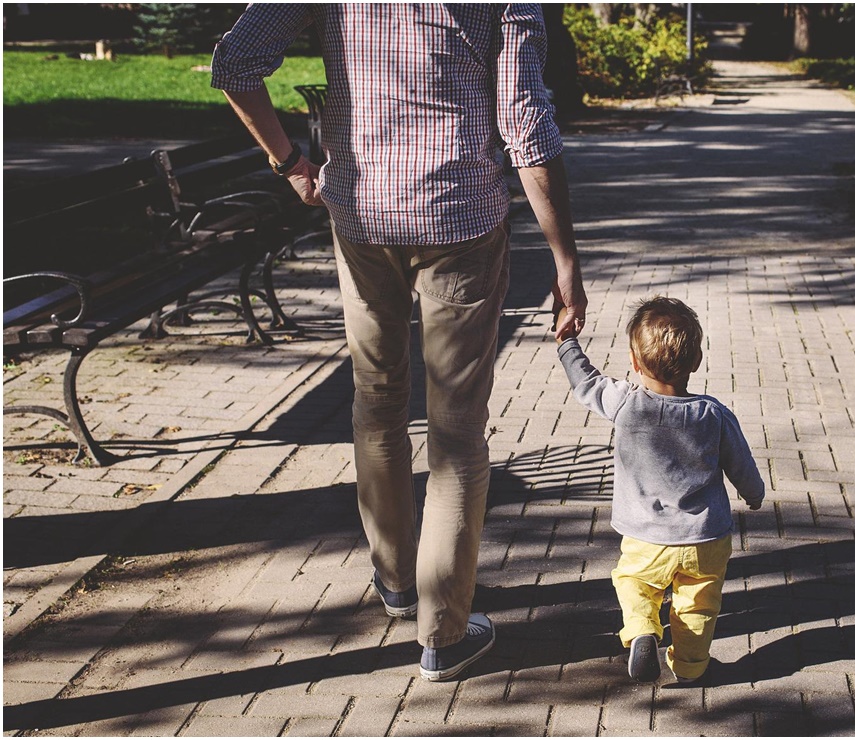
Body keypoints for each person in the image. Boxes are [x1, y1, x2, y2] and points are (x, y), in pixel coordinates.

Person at [211, 4, 587, 682]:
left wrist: (291, 164)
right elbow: (526, 126)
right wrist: (564, 258)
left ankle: (396, 580)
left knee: (377, 401)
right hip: (460, 217)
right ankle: (442, 634)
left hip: (362, 214)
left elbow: (236, 63)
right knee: (457, 433)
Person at [555, 297, 764, 684]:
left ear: (635, 363)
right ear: (696, 362)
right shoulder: (713, 413)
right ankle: (690, 667)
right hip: (706, 538)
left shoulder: (626, 403)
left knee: (634, 583)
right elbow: (741, 463)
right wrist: (754, 493)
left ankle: (642, 632)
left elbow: (586, 382)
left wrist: (567, 343)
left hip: (647, 537)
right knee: (698, 607)